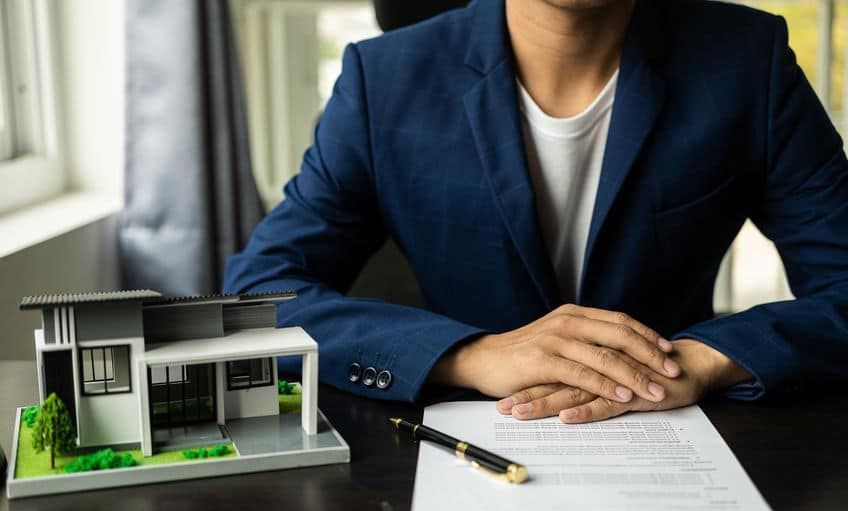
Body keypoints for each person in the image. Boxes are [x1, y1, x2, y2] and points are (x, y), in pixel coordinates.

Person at [223, 0, 848, 424]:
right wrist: (469, 355)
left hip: (677, 422)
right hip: (460, 440)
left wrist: (705, 360)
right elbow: (258, 293)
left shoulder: (746, 61)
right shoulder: (383, 79)